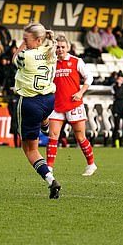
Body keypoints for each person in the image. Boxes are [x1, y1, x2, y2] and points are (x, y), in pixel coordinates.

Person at [13, 21, 61, 199]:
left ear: (38, 40)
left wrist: (22, 45)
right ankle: (45, 124)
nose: (24, 42)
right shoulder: (51, 53)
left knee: (29, 149)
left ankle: (51, 180)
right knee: (43, 116)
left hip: (30, 103)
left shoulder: (26, 55)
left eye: (26, 39)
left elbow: (14, 59)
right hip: (49, 101)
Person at [46, 35, 97, 176]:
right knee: (53, 136)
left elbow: (89, 77)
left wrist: (81, 92)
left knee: (80, 137)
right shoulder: (51, 63)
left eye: (63, 47)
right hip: (56, 104)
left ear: (68, 47)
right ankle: (49, 167)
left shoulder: (76, 61)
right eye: (58, 47)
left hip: (74, 104)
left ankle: (91, 164)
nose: (60, 49)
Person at [111, 74, 123, 147]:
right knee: (116, 126)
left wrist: (121, 95)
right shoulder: (114, 86)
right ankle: (115, 142)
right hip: (117, 107)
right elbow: (116, 95)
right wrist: (119, 87)